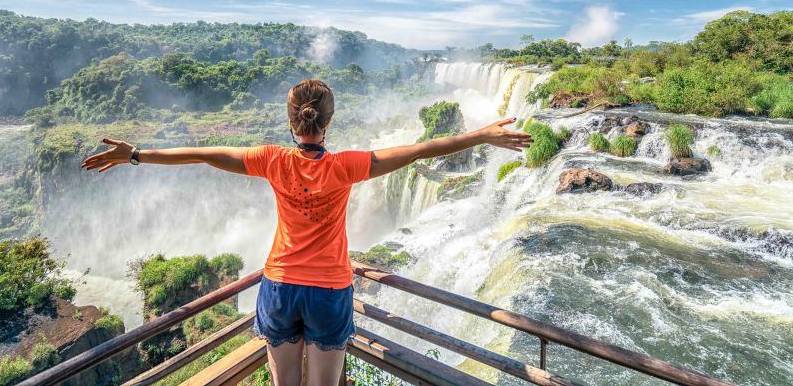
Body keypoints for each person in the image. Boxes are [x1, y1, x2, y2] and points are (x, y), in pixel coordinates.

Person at [81, 78, 532, 386]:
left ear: (291, 122)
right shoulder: (347, 166)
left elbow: (203, 155)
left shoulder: (272, 159)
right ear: (327, 122)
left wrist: (136, 154)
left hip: (277, 285)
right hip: (329, 289)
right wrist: (480, 137)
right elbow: (417, 151)